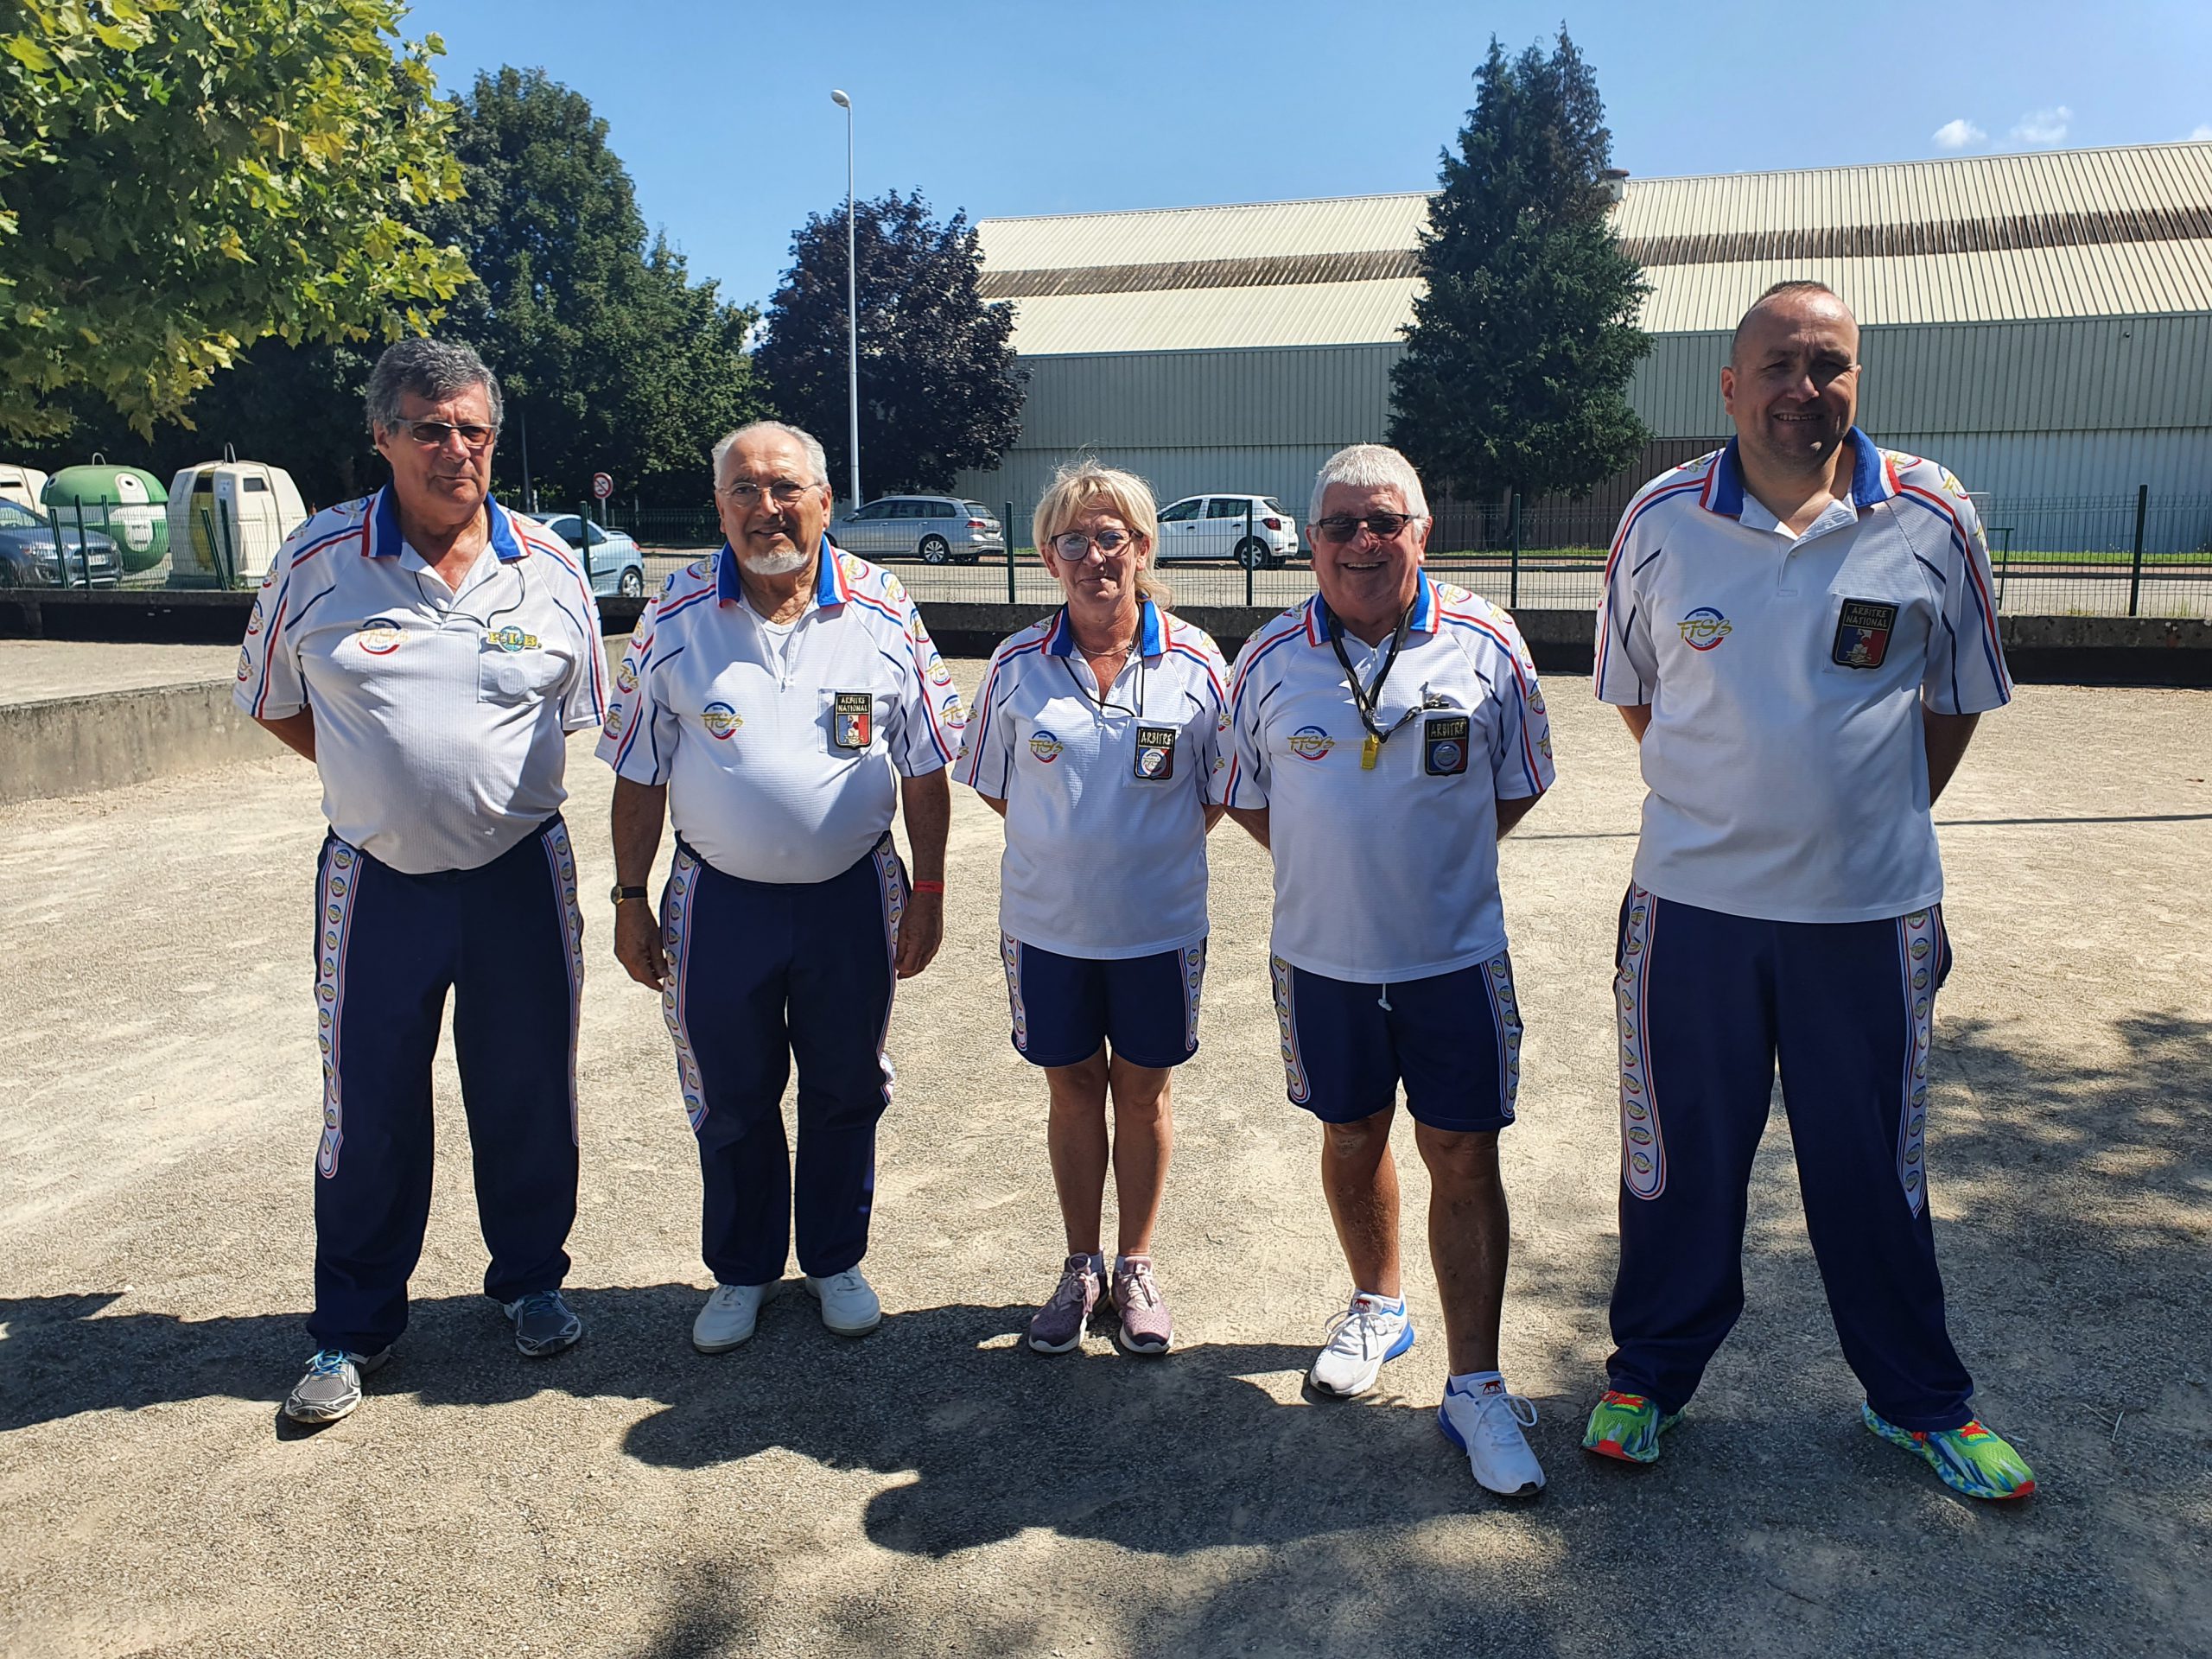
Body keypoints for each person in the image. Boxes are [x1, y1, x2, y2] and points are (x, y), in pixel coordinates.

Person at [1586, 280, 2034, 1500]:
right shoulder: (1659, 519)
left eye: (1827, 364)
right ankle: (1647, 1378)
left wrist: (1864, 815)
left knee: (1873, 1169)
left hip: (1868, 916)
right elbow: (1639, 696)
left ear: (1857, 381)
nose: (1803, 388)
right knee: (1677, 1161)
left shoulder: (1933, 515)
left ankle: (1919, 1400)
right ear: (1730, 387)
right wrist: (1732, 805)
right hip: (1692, 913)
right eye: (1778, 366)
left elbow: (1954, 701)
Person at [238, 337, 608, 1426]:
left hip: (518, 876)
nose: (458, 450)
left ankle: (531, 1281)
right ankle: (353, 1327)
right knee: (369, 1107)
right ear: (384, 437)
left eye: (474, 430)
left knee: (529, 1088)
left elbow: (577, 712)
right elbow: (271, 699)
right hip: (376, 882)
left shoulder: (552, 566)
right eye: (432, 428)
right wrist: (372, 776)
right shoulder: (317, 559)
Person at [1213, 443, 1554, 1497]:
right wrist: (1338, 865)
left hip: (1453, 958)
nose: (1362, 542)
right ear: (1310, 542)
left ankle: (1476, 1387)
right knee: (1351, 1133)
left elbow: (1520, 781)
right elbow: (1246, 794)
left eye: (1383, 522)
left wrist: (1428, 866)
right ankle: (1377, 1306)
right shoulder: (1267, 660)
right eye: (1339, 526)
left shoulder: (1488, 641)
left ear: (1422, 531)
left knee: (1462, 1152)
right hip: (1322, 963)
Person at [601, 421, 958, 1352]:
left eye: (786, 488)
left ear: (825, 502)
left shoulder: (884, 609)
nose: (767, 509)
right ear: (720, 508)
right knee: (732, 1094)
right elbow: (637, 770)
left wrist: (928, 890)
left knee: (846, 1085)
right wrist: (630, 898)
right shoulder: (674, 616)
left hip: (853, 896)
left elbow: (924, 763)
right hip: (720, 902)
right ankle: (744, 1268)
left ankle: (835, 1258)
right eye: (745, 491)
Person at [955, 463, 1229, 1356]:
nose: (1094, 557)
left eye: (1111, 537)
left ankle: (1135, 1265)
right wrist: (1069, 840)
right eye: (1072, 540)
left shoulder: (1196, 661)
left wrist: (1138, 848)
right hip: (1048, 928)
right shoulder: (1015, 665)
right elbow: (996, 784)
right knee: (1072, 1090)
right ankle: (1080, 1266)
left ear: (1143, 548)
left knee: (1143, 1094)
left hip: (1158, 926)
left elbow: (1216, 789)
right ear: (1048, 557)